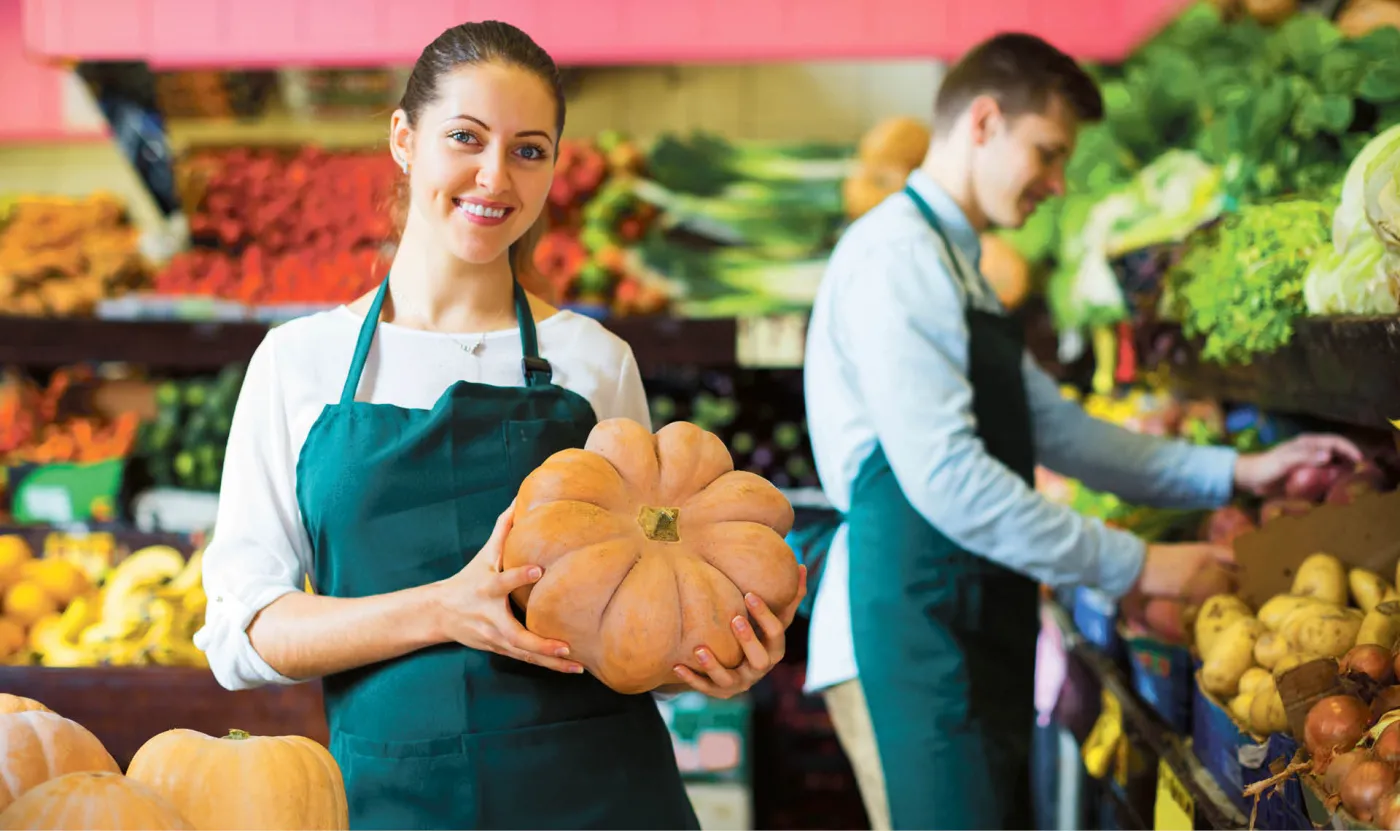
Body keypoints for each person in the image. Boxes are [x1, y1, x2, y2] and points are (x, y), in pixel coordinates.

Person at [194, 21, 803, 830]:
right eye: (465, 138)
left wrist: (705, 665)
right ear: (405, 140)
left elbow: (632, 616)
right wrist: (443, 607)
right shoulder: (296, 363)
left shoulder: (593, 360)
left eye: (529, 150)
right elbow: (244, 631)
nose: (495, 175)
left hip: (603, 798)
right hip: (394, 804)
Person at [801, 32, 1361, 831]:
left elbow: (1057, 429)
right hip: (907, 630)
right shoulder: (897, 258)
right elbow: (946, 478)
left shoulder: (954, 261)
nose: (1059, 183)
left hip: (964, 615)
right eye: (1049, 152)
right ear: (985, 121)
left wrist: (1237, 474)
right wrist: (1141, 560)